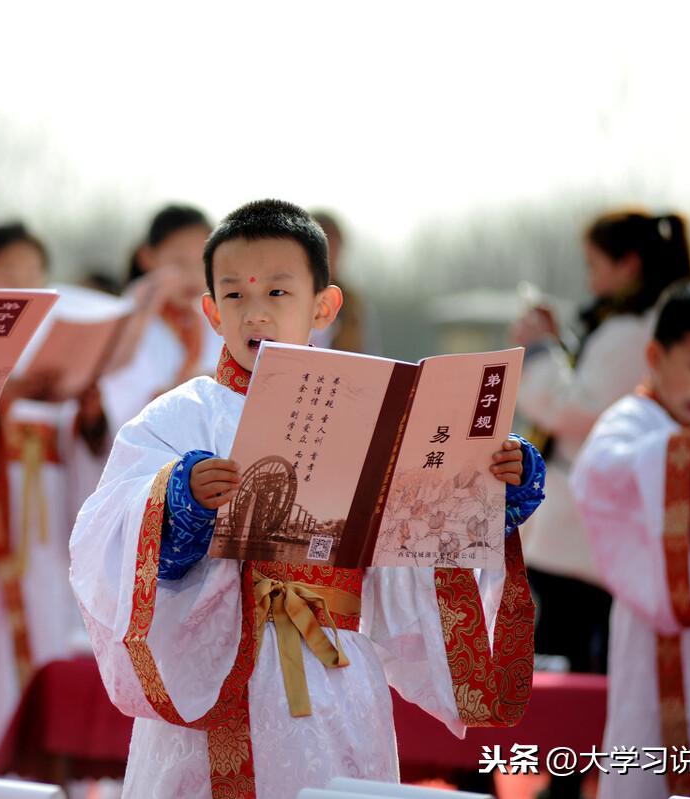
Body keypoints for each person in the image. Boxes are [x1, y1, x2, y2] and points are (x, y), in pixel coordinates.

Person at [70, 199, 545, 798]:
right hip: (212, 679)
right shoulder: (177, 417)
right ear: (212, 311)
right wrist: (176, 501)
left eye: (277, 293)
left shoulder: (379, 410)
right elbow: (101, 535)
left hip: (335, 675)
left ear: (324, 305)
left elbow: (410, 557)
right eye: (236, 297)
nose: (256, 314)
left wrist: (490, 489)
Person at [0, 222, 107, 770]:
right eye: (8, 273)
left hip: (41, 538)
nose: (22, 285)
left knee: (46, 653)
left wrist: (90, 418)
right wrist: (0, 401)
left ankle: (45, 775)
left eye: (33, 275)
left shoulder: (53, 351)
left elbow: (84, 468)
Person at [512, 210, 690, 682]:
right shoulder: (639, 324)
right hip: (588, 527)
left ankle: (567, 756)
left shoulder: (631, 330)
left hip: (581, 532)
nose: (589, 278)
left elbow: (575, 410)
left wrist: (539, 349)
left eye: (595, 264)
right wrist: (558, 343)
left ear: (628, 264)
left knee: (568, 665)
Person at [571, 282, 690, 799]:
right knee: (647, 753)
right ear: (656, 355)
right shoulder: (630, 422)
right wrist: (684, 456)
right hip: (654, 627)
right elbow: (597, 478)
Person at [100, 204, 223, 431]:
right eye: (179, 263)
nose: (193, 276)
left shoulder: (215, 320)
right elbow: (117, 401)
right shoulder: (125, 319)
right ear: (148, 257)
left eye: (202, 263)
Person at [306, 210, 379, 354]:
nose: (330, 253)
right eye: (323, 244)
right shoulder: (284, 296)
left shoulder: (354, 306)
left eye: (335, 245)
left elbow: (370, 356)